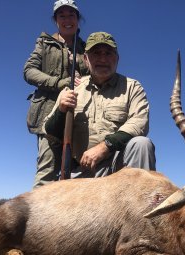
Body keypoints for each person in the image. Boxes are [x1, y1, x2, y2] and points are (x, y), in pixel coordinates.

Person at [43, 31, 156, 178]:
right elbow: (50, 131)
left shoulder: (132, 87)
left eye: (109, 53)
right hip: (84, 169)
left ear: (117, 58)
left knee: (142, 144)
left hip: (119, 165)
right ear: (85, 59)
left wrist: (105, 147)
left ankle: (139, 198)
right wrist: (61, 110)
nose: (103, 58)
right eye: (96, 53)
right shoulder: (70, 90)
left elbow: (139, 123)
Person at [24, 0, 89, 188]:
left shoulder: (86, 48)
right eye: (62, 16)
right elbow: (29, 71)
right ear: (56, 20)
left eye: (71, 15)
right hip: (48, 115)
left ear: (78, 19)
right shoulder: (44, 43)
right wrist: (60, 83)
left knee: (80, 173)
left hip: (79, 116)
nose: (67, 20)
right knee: (47, 173)